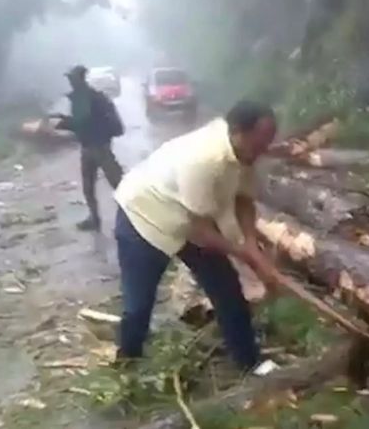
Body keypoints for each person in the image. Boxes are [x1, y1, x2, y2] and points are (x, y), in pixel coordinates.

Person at [112, 100, 278, 372]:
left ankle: (248, 361)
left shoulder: (245, 153)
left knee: (227, 291)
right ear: (238, 131)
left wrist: (251, 244)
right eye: (260, 143)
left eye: (267, 143)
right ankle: (127, 365)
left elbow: (244, 200)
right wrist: (245, 254)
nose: (264, 150)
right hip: (143, 218)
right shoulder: (204, 159)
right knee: (138, 306)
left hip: (187, 216)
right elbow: (201, 232)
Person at [55, 65, 125, 231]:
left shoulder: (87, 97)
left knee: (118, 185)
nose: (70, 82)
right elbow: (81, 120)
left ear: (79, 79)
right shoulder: (85, 96)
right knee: (89, 186)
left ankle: (132, 218)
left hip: (98, 147)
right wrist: (65, 120)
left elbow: (82, 121)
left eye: (72, 78)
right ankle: (95, 219)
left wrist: (64, 123)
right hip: (89, 146)